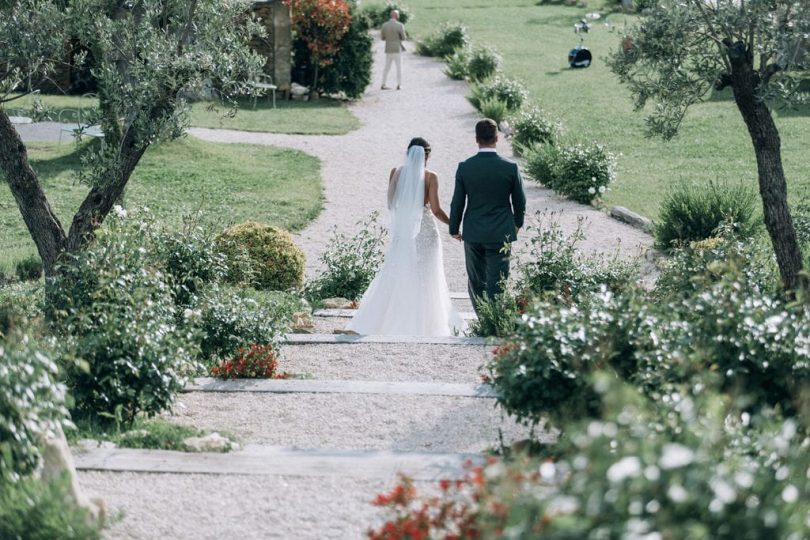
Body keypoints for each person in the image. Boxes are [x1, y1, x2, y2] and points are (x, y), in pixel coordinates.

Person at [347, 138, 463, 336]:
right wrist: (454, 226)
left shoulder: (396, 172)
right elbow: (435, 210)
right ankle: (427, 323)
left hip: (403, 230)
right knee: (427, 275)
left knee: (399, 271)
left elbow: (391, 203)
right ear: (428, 156)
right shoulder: (430, 177)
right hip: (425, 231)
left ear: (408, 153)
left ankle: (388, 319)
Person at [449, 118, 527, 314]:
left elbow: (457, 201)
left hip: (474, 232)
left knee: (476, 280)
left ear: (476, 139)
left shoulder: (465, 167)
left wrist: (453, 228)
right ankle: (494, 318)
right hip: (501, 232)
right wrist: (517, 223)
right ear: (497, 138)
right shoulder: (510, 167)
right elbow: (520, 201)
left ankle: (483, 318)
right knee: (498, 278)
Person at [380, 10, 406, 90]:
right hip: (397, 48)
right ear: (397, 16)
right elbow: (404, 38)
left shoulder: (384, 25)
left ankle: (383, 83)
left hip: (388, 48)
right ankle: (399, 84)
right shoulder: (400, 25)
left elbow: (382, 38)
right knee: (399, 67)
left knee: (386, 67)